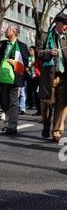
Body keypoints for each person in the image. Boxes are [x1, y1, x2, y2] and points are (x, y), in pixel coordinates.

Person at [0, 24, 29, 135]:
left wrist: (15, 63)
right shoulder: (4, 45)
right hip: (3, 78)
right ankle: (7, 124)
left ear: (14, 32)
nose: (6, 30)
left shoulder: (22, 46)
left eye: (8, 29)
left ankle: (12, 126)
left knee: (14, 103)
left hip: (14, 79)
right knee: (5, 102)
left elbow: (25, 64)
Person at [37, 13, 67, 142]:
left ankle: (57, 132)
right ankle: (46, 124)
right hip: (49, 76)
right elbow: (38, 52)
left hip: (64, 77)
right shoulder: (44, 36)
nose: (66, 26)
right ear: (57, 23)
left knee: (62, 105)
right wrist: (49, 52)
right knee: (46, 105)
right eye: (65, 24)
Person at [26, 45, 41, 116]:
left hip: (38, 77)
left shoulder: (38, 58)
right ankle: (32, 105)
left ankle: (40, 110)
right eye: (29, 50)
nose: (30, 51)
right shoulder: (28, 58)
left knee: (37, 93)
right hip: (30, 77)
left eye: (32, 50)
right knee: (31, 92)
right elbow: (28, 67)